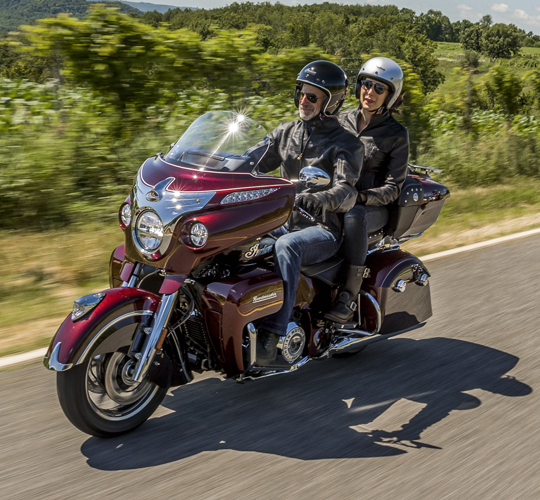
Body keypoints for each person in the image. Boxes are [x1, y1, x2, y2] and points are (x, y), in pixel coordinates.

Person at [247, 60, 364, 366]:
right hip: (283, 222)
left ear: (332, 102)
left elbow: (347, 190)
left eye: (313, 97)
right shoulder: (284, 133)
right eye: (301, 93)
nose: (303, 101)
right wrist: (212, 167)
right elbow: (249, 163)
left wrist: (323, 199)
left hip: (322, 230)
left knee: (287, 246)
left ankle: (274, 333)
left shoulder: (347, 144)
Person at [325, 56, 409, 323]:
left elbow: (394, 187)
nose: (370, 92)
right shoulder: (340, 120)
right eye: (366, 84)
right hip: (335, 197)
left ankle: (349, 295)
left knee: (353, 215)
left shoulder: (396, 134)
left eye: (379, 88)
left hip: (371, 209)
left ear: (390, 95)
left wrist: (360, 197)